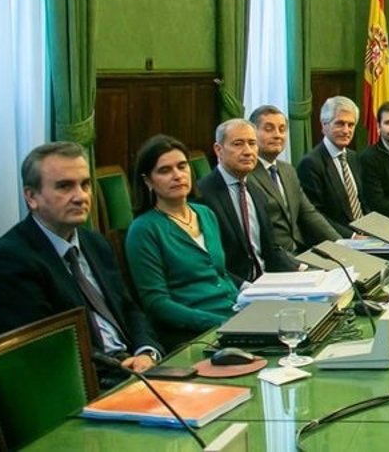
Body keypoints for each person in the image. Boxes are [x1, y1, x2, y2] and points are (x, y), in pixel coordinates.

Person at [0, 142, 162, 388]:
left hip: (136, 372)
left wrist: (147, 352)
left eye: (85, 184)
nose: (80, 197)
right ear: (31, 197)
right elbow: (45, 353)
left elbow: (129, 309)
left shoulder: (95, 243)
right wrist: (122, 370)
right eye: (64, 186)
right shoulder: (9, 262)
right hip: (82, 387)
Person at [125, 135, 241, 347]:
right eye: (165, 170)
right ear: (148, 181)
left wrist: (249, 302)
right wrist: (219, 322)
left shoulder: (205, 214)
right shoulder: (143, 229)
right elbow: (156, 304)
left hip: (234, 315)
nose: (177, 175)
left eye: (182, 166)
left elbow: (221, 274)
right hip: (192, 334)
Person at [197, 119, 300, 285]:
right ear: (218, 150)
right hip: (233, 288)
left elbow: (271, 249)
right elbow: (208, 262)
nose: (248, 151)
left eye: (252, 144)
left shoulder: (256, 191)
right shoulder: (203, 195)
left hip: (267, 283)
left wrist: (302, 271)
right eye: (238, 144)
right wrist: (245, 288)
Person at [248, 105, 341, 255]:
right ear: (252, 134)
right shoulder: (246, 175)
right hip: (274, 258)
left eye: (282, 129)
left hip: (302, 250)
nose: (277, 135)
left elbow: (309, 214)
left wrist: (341, 245)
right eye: (269, 129)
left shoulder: (288, 170)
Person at [297, 96, 365, 237]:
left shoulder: (353, 157)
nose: (346, 130)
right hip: (338, 240)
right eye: (340, 123)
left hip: (366, 235)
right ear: (324, 125)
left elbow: (363, 202)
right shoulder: (311, 163)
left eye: (351, 125)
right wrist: (352, 237)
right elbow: (315, 216)